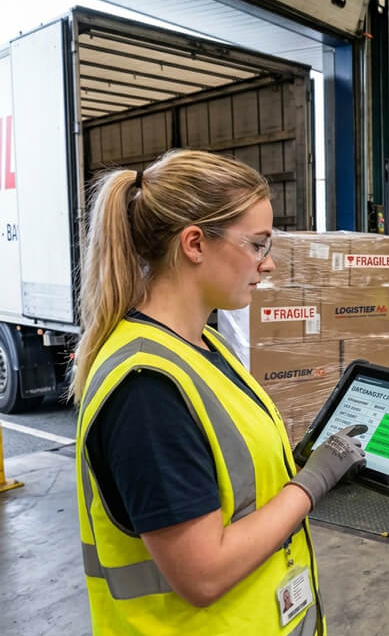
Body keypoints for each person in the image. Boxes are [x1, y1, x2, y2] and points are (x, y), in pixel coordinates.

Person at [72, 150, 366, 635]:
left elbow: (226, 473)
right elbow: (203, 574)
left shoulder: (204, 344)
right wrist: (314, 482)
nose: (268, 265)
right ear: (194, 244)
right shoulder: (146, 389)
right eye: (257, 244)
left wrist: (298, 461)